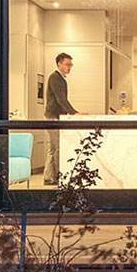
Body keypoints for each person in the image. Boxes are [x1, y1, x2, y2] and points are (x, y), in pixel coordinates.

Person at [44, 52, 76, 184]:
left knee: (53, 147)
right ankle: (55, 177)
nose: (69, 67)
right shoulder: (55, 78)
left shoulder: (60, 78)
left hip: (55, 117)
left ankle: (49, 176)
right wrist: (74, 113)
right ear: (59, 64)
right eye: (67, 64)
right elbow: (61, 99)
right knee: (56, 147)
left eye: (70, 65)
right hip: (53, 118)